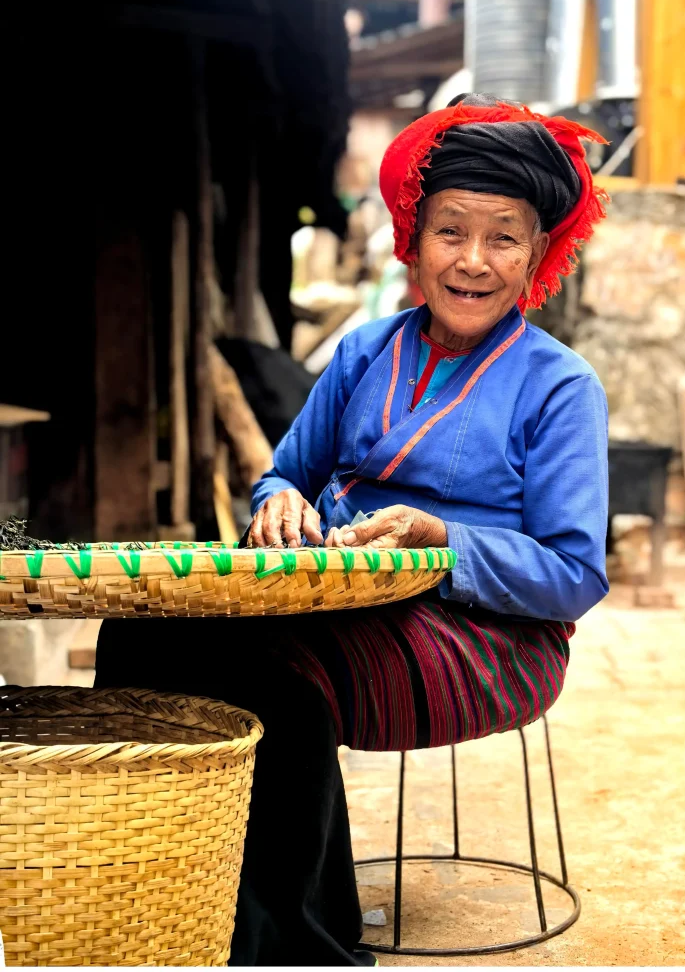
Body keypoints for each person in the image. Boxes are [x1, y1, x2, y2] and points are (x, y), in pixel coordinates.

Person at [95, 95, 610, 966]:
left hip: (489, 634)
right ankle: (175, 890)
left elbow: (574, 573)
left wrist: (439, 539)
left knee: (271, 678)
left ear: (536, 255)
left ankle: (299, 942)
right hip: (337, 598)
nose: (473, 261)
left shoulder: (560, 386)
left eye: (503, 237)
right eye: (451, 231)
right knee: (140, 638)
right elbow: (285, 471)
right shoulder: (367, 352)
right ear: (413, 239)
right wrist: (280, 504)